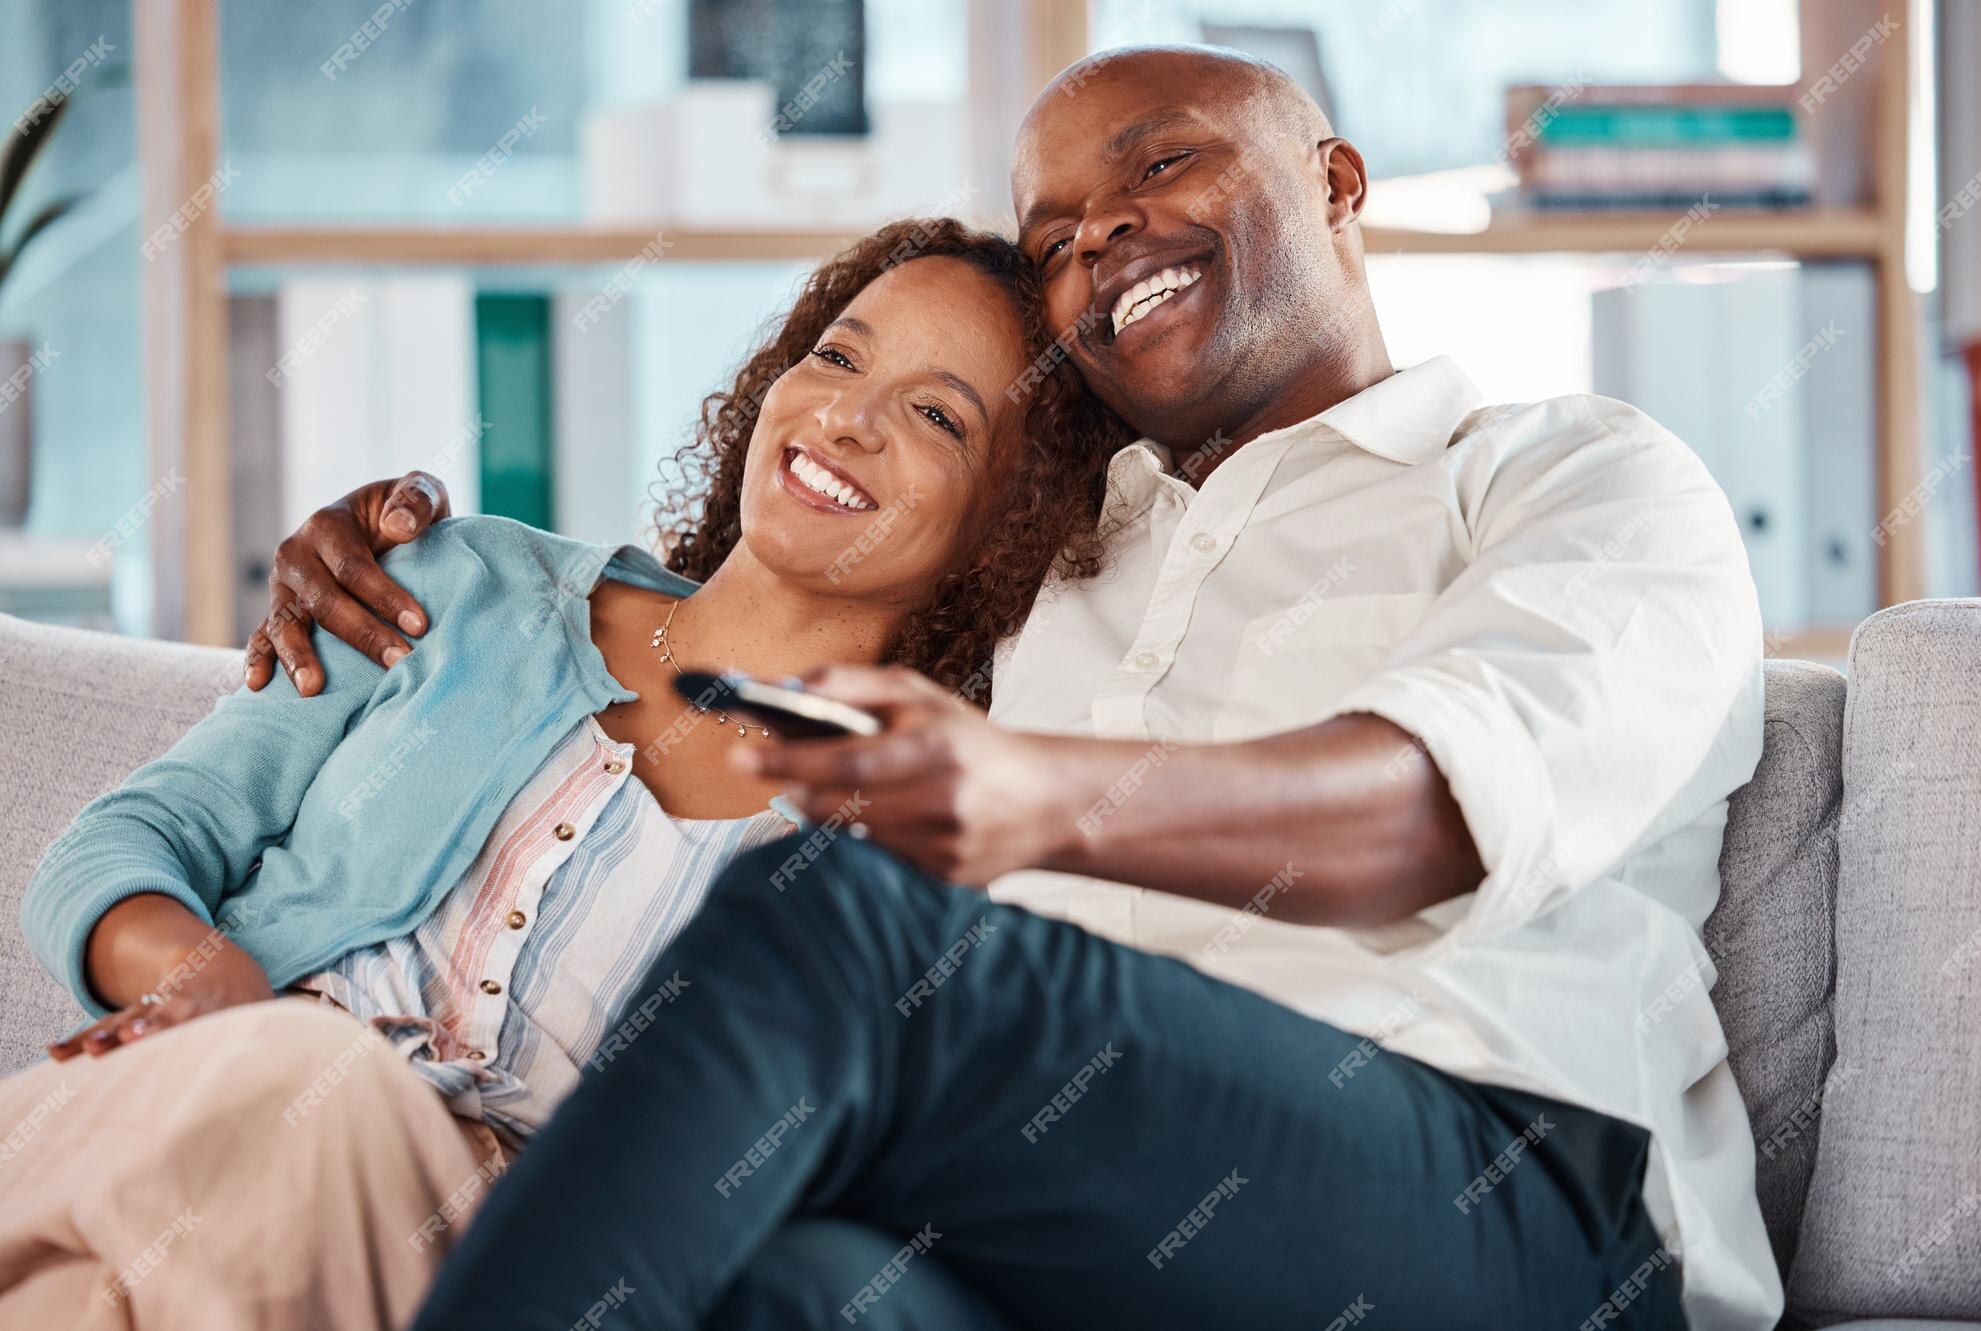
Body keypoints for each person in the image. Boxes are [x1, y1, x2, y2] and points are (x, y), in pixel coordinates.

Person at [258, 47, 1781, 1331]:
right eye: (1051, 238)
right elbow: (743, 594)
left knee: (831, 909)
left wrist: (1038, 795)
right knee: (786, 1285)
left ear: (1336, 182)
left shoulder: (1572, 474)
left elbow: (1437, 805)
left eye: (1158, 166)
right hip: (1082, 1224)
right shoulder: (1056, 553)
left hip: (1504, 1201)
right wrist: (429, 567)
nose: (1099, 239)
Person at [0, 219, 1127, 1331]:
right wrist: (205, 980)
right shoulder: (459, 582)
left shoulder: (894, 853)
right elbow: (126, 839)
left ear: (1004, 525)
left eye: (936, 414)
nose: (848, 415)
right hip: (206, 1093)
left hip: (475, 1260)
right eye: (836, 354)